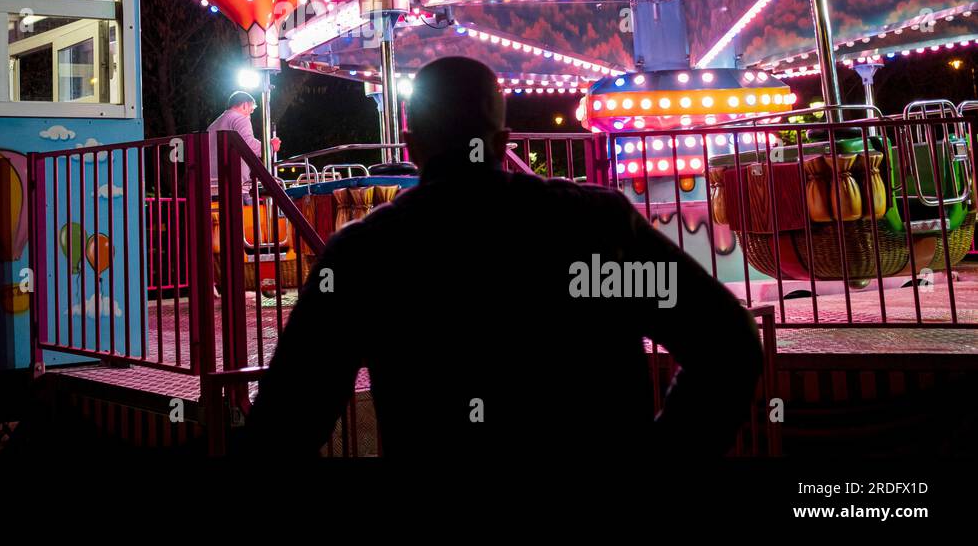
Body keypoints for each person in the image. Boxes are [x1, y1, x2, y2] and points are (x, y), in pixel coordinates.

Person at [243, 56, 763, 457]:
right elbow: (729, 342)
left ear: (410, 147)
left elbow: (285, 423)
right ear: (503, 140)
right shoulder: (597, 224)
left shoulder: (365, 255)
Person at [207, 91, 279, 194]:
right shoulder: (240, 119)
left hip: (211, 188)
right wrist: (270, 147)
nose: (250, 114)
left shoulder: (213, 125)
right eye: (251, 110)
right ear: (245, 105)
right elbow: (248, 144)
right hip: (235, 187)